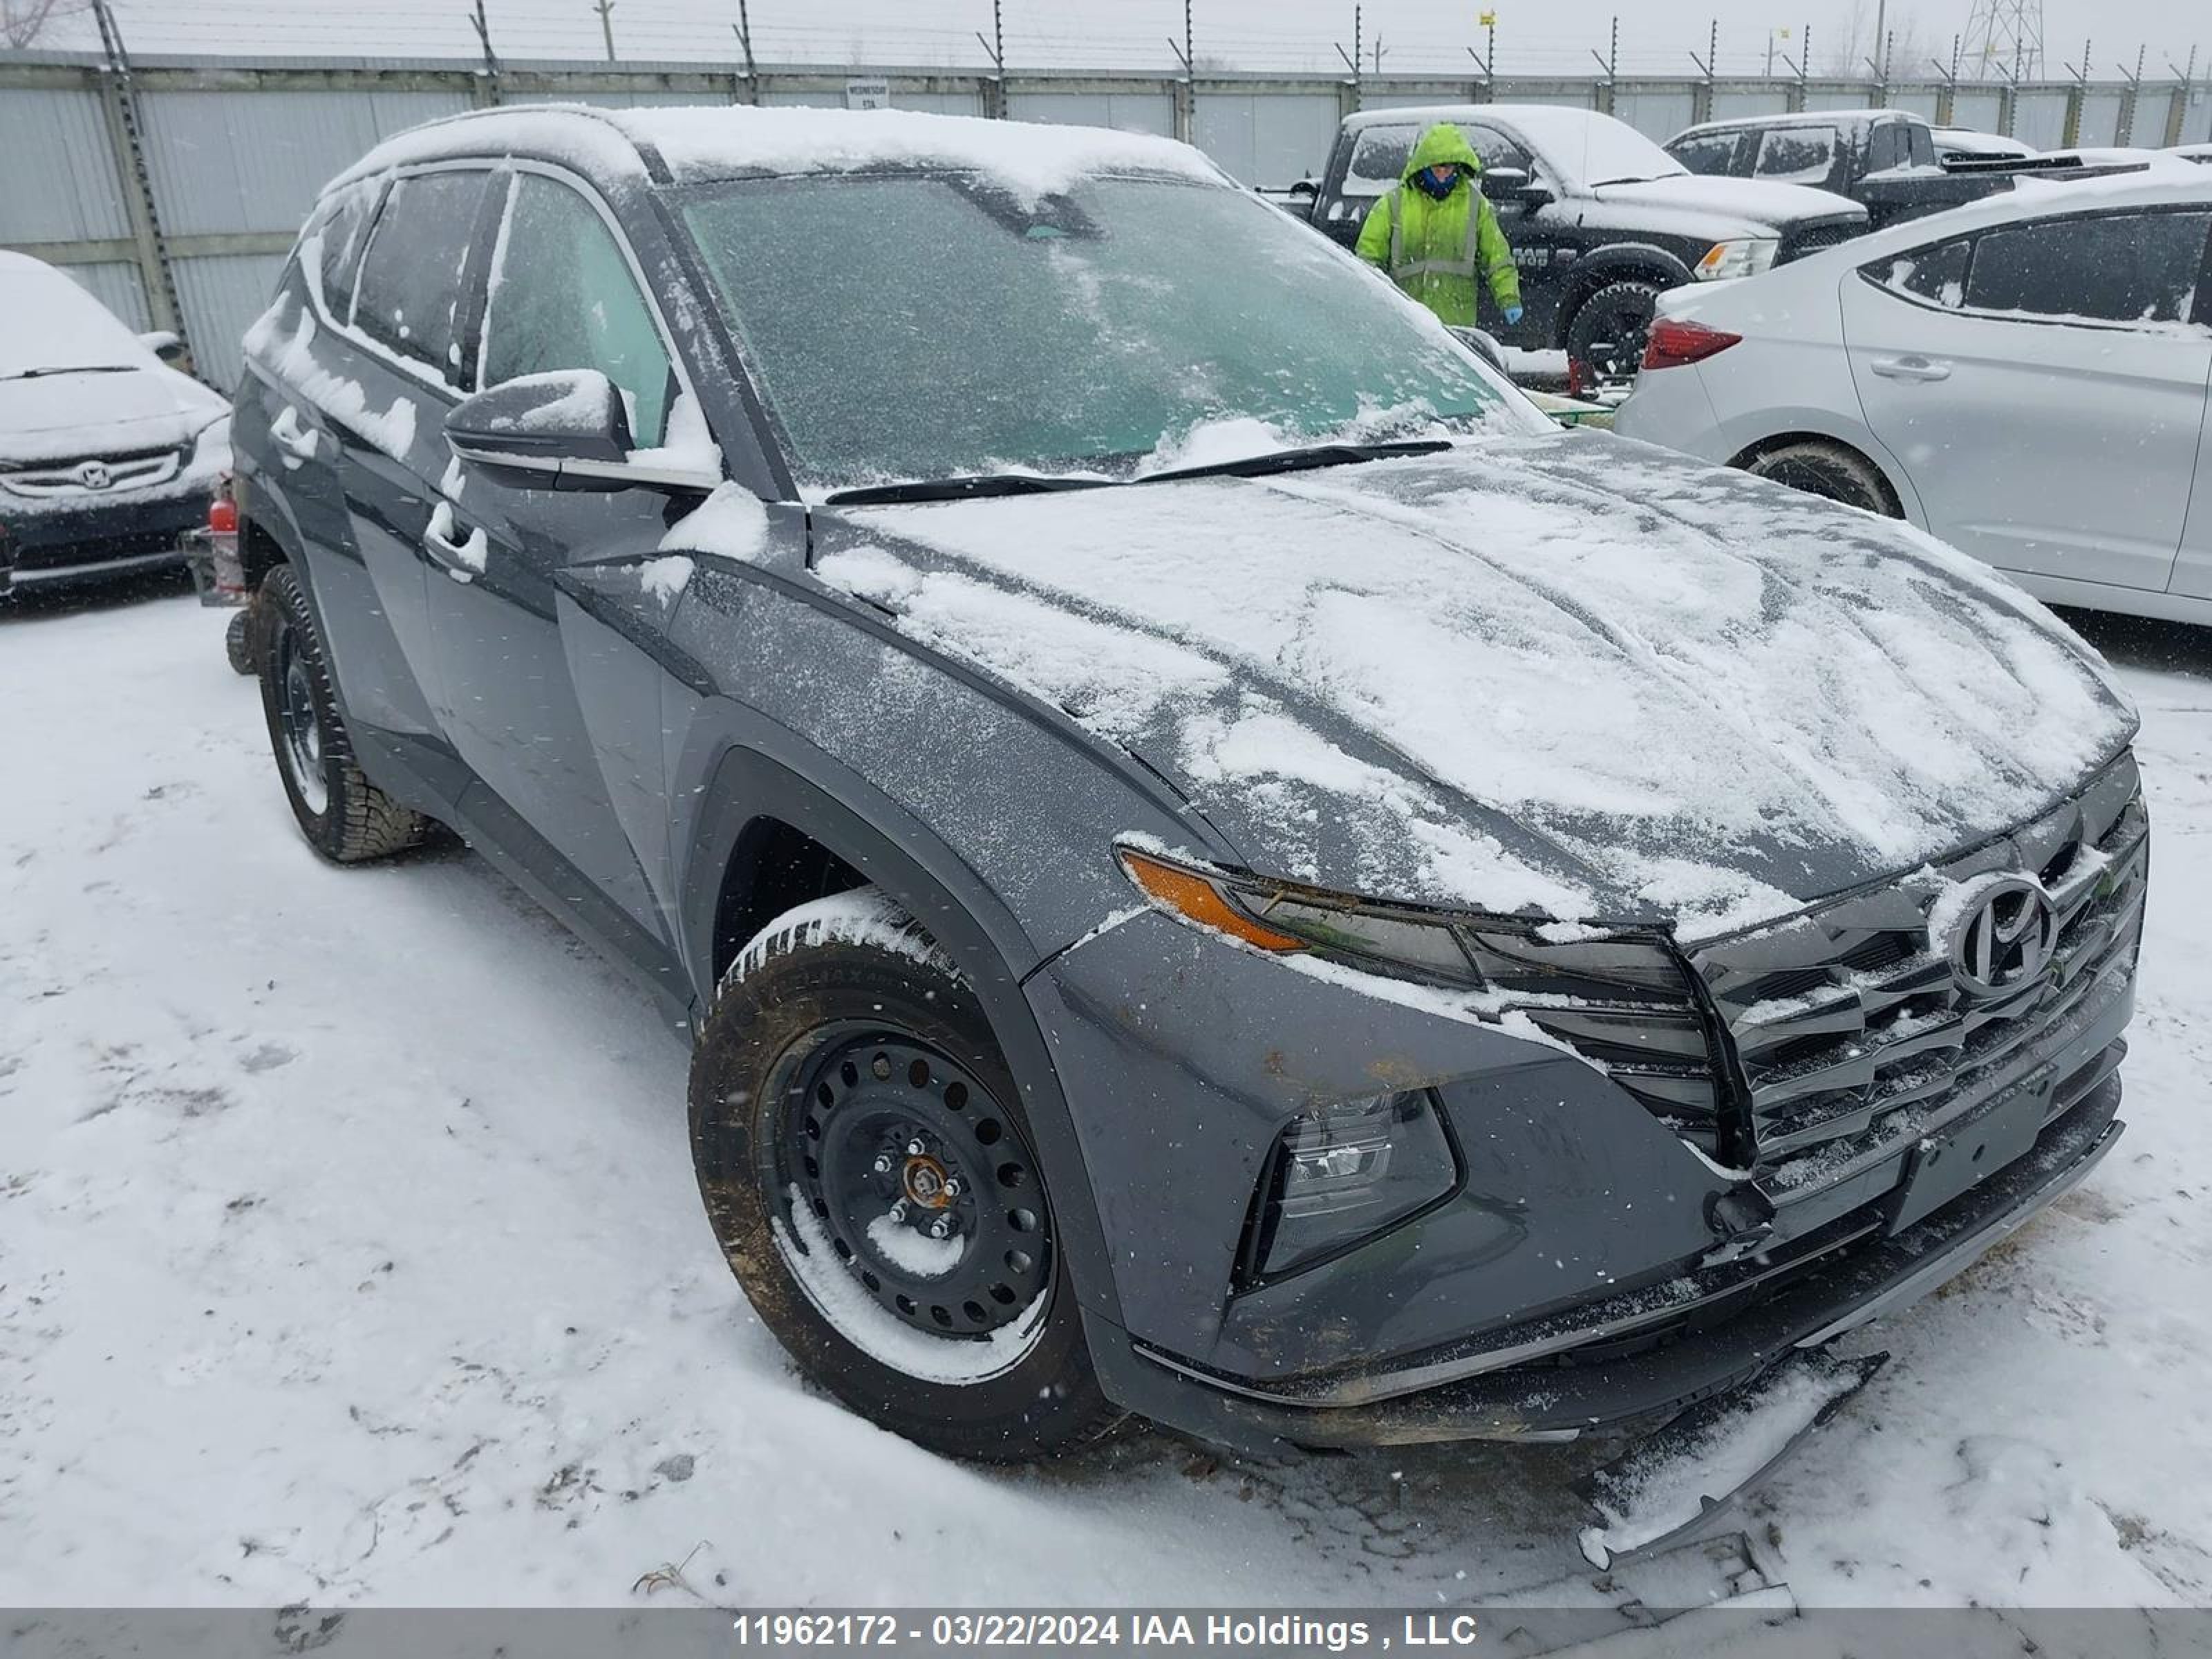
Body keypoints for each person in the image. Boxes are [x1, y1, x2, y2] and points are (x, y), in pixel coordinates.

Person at [1354, 122, 1524, 332]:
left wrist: (1508, 297)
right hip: (1407, 322)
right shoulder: (1393, 204)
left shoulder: (1476, 206)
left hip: (1456, 325)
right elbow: (1368, 258)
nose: (1443, 173)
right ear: (1424, 165)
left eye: (1449, 167)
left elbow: (1497, 257)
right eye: (1437, 167)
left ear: (1458, 166)